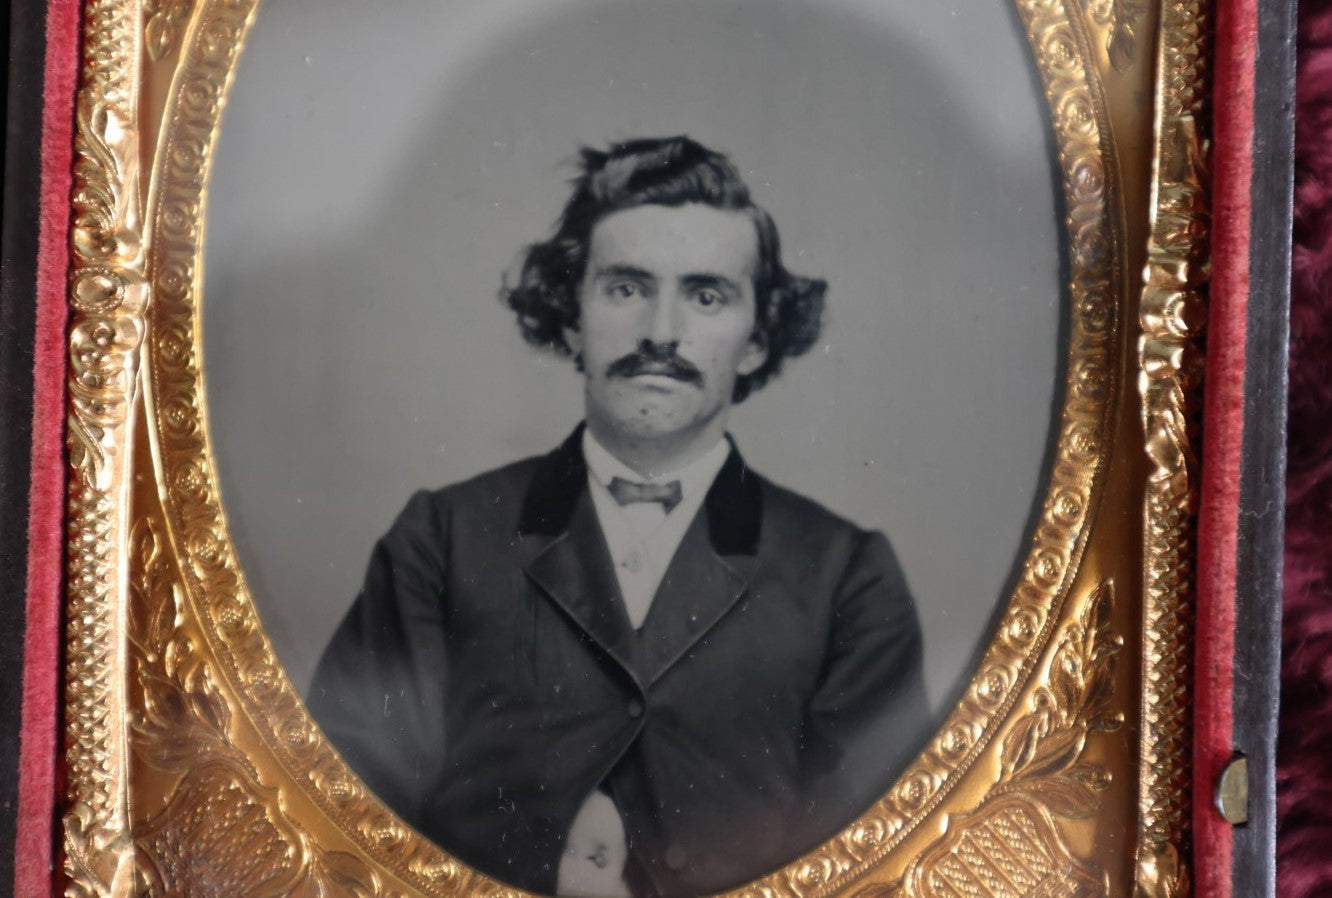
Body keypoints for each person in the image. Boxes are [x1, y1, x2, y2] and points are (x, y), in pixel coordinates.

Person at [307, 136, 928, 898]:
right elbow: (334, 829)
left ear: (757, 338)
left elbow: (876, 869)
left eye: (706, 296)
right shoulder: (442, 538)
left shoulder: (848, 577)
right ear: (571, 315)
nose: (661, 332)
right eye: (627, 288)